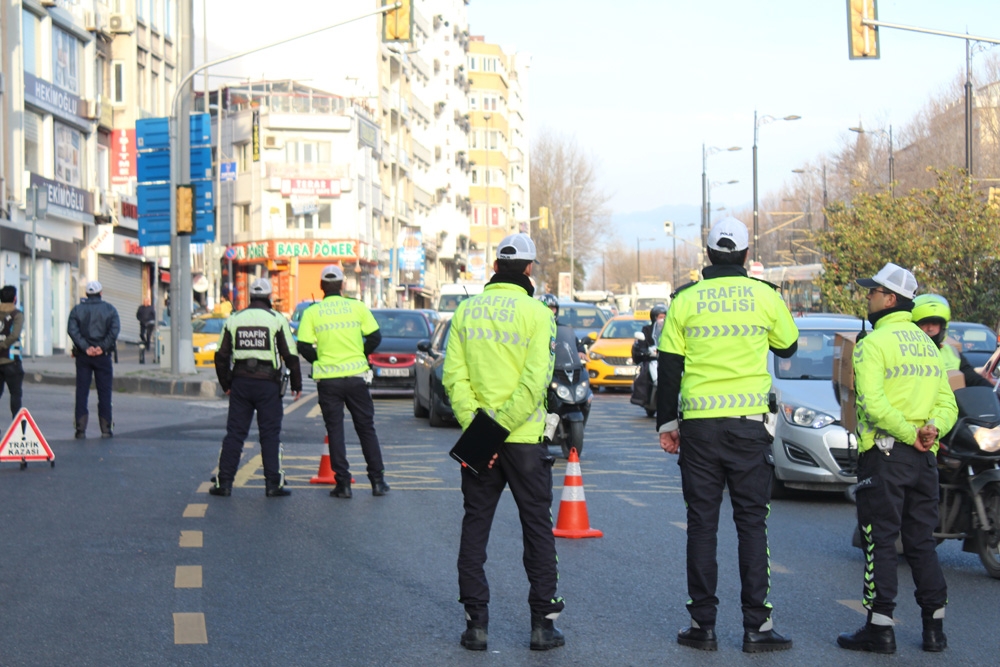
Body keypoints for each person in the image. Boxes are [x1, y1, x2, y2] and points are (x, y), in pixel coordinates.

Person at [656, 218, 799, 653]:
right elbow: (788, 346)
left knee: (701, 526)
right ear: (744, 253)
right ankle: (757, 627)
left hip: (698, 429)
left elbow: (668, 367)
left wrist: (667, 424)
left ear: (708, 253)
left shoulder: (686, 300)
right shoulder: (764, 296)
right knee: (751, 525)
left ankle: (703, 626)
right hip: (747, 427)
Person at [443, 233, 565, 652]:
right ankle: (542, 627)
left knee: (475, 529)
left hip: (480, 440)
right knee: (537, 530)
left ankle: (475, 626)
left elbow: (453, 380)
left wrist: (480, 432)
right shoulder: (538, 313)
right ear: (529, 269)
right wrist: (503, 428)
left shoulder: (465, 311)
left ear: (495, 266)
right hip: (526, 440)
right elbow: (535, 383)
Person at [837, 264, 957, 654]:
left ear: (890, 299)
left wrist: (910, 434)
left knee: (881, 541)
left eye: (872, 292)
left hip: (887, 455)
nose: (867, 297)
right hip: (924, 461)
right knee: (922, 541)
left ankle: (880, 628)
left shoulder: (874, 343)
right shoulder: (928, 345)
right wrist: (932, 430)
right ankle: (934, 630)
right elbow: (947, 403)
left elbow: (872, 404)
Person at [296, 265, 389, 499]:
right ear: (342, 285)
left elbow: (303, 345)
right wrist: (359, 352)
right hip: (357, 377)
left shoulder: (312, 312)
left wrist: (320, 359)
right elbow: (375, 337)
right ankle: (377, 482)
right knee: (366, 428)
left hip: (328, 380)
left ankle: (343, 484)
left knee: (335, 430)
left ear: (321, 286)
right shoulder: (357, 307)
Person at [210, 278, 302, 498]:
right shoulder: (276, 319)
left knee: (235, 434)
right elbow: (290, 354)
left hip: (241, 383)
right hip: (268, 385)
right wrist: (297, 384)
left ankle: (224, 483)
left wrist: (226, 384)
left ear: (250, 296)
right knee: (269, 434)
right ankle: (272, 485)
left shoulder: (234, 319)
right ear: (269, 297)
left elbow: (221, 356)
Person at [67, 281, 120, 439]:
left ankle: (80, 428)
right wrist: (102, 347)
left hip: (83, 356)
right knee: (105, 393)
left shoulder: (77, 310)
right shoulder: (110, 309)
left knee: (82, 392)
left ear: (86, 294)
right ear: (101, 293)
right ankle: (106, 428)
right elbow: (114, 330)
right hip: (103, 357)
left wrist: (85, 347)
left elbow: (72, 330)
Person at [911, 293, 991, 388]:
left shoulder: (952, 353)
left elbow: (973, 379)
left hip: (954, 402)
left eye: (935, 323)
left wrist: (993, 392)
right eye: (924, 323)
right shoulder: (906, 352)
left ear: (943, 327)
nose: (930, 328)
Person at [0, 286, 25, 419]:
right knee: (15, 395)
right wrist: (3, 345)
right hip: (12, 361)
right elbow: (15, 335)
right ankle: (16, 429)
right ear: (15, 298)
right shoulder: (17, 314)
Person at [538, 293, 585, 360]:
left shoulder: (562, 329)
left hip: (560, 366)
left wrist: (580, 351)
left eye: (552, 308)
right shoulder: (534, 327)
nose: (549, 311)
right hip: (540, 364)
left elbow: (574, 341)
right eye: (547, 308)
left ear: (557, 310)